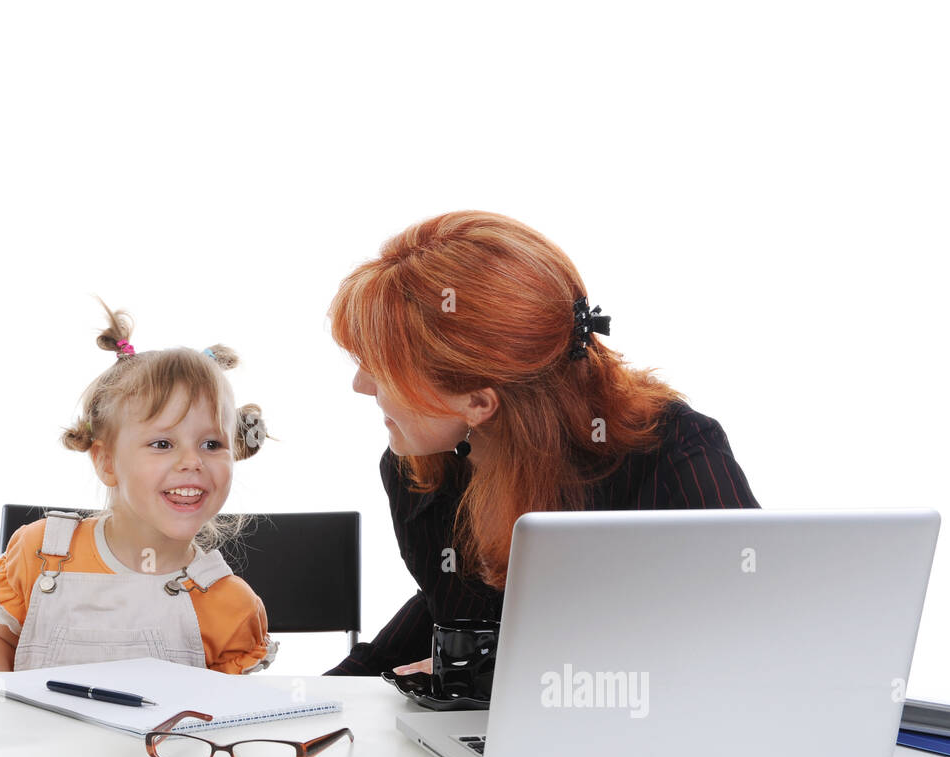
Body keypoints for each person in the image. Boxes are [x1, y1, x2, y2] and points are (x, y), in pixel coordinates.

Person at [324, 211, 759, 676]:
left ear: (478, 401)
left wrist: (488, 675)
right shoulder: (417, 469)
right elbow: (446, 607)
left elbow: (751, 633)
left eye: (381, 369)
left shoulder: (670, 451)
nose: (360, 385)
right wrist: (315, 700)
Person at [0, 302, 277, 673]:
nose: (192, 461)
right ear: (106, 461)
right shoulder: (41, 552)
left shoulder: (231, 605)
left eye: (212, 444)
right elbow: (0, 642)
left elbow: (226, 722)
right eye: (162, 444)